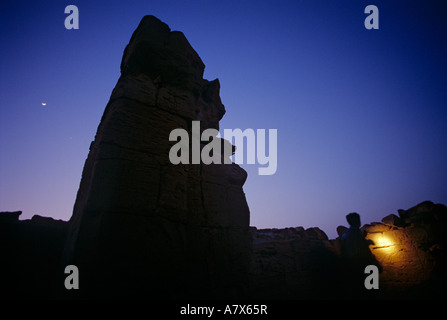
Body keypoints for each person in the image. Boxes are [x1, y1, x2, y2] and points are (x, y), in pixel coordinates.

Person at [340, 212, 380, 298]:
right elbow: (360, 249)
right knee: (369, 291)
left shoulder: (349, 234)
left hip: (355, 265)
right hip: (362, 264)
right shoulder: (354, 233)